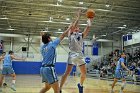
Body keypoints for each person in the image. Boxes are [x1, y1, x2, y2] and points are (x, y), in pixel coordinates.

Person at [59, 9, 93, 93]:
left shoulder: (81, 35)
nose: (76, 27)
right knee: (67, 73)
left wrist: (89, 19)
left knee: (84, 73)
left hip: (80, 54)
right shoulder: (70, 33)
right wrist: (78, 16)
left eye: (77, 27)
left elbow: (88, 28)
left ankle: (80, 85)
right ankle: (59, 88)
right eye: (74, 26)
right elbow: (74, 25)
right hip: (72, 54)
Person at [39, 23, 72, 93]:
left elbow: (43, 39)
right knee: (57, 90)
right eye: (50, 37)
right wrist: (69, 28)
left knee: (47, 87)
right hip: (49, 68)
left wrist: (42, 35)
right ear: (48, 39)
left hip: (42, 69)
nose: (51, 38)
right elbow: (62, 35)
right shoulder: (52, 44)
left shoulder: (42, 47)